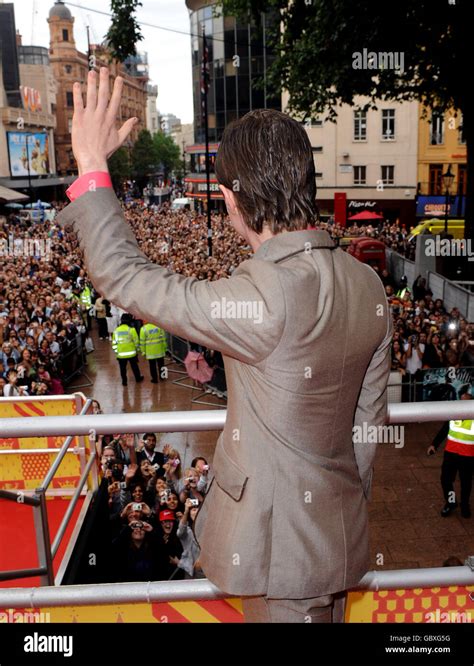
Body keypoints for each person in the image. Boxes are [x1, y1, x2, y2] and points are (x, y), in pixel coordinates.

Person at [57, 68, 392, 623]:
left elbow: (124, 276)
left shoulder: (262, 293)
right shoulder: (367, 284)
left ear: (233, 199)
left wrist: (93, 170)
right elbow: (364, 427)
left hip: (279, 556)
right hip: (335, 537)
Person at [427, 390, 473, 519]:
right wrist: (434, 445)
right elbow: (444, 430)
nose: (462, 404)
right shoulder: (454, 414)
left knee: (466, 482)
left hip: (468, 456)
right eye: (461, 401)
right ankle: (451, 502)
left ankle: (465, 505)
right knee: (446, 479)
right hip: (451, 454)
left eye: (465, 402)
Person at [111, 313, 144, 386]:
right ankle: (138, 378)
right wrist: (137, 350)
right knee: (134, 366)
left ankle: (124, 381)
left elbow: (114, 343)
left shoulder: (116, 330)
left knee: (122, 368)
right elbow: (136, 341)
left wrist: (117, 352)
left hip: (121, 354)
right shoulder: (131, 329)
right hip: (132, 353)